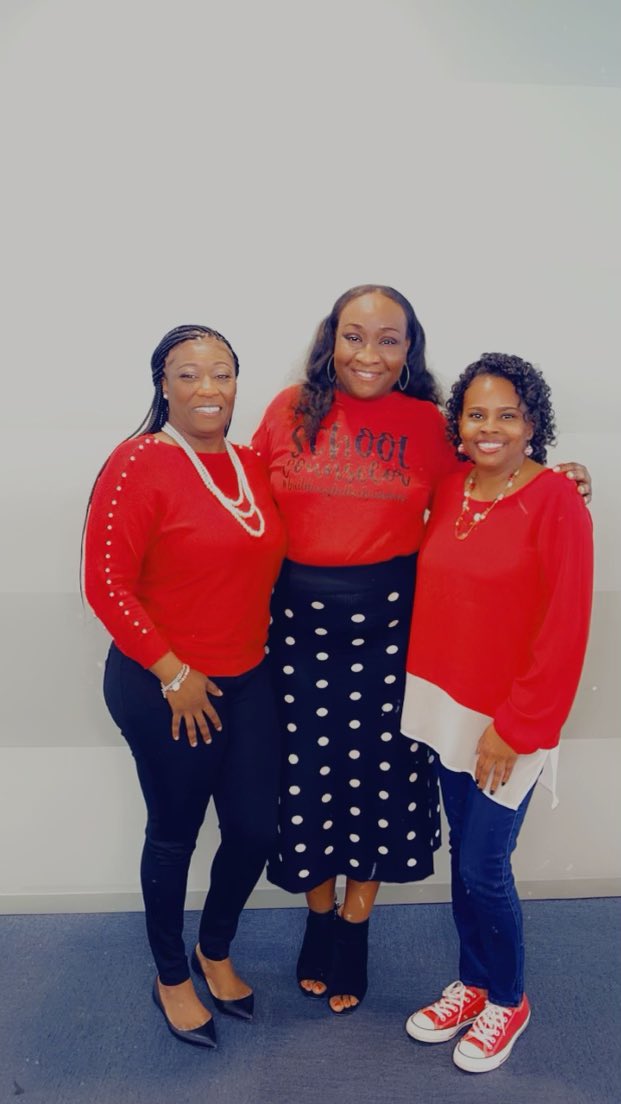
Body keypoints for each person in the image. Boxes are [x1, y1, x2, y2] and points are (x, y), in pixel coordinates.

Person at [251, 287, 591, 1016]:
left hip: (391, 638)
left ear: (410, 349)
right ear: (329, 340)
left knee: (377, 784)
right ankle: (318, 919)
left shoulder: (427, 425)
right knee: (304, 782)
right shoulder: (285, 411)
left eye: (388, 339)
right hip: (297, 635)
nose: (368, 354)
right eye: (353, 335)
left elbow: (492, 476)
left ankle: (354, 928)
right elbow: (246, 500)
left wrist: (562, 478)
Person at [83, 325, 286, 1048]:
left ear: (237, 381)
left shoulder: (252, 463)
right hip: (162, 684)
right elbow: (105, 585)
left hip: (246, 674)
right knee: (174, 835)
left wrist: (540, 473)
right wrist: (174, 673)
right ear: (162, 383)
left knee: (256, 828)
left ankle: (215, 948)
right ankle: (171, 975)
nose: (208, 389)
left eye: (221, 373)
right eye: (189, 374)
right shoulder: (138, 462)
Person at [401, 352, 593, 1072]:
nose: (489, 428)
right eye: (476, 414)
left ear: (532, 423)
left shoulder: (556, 502)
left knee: (484, 867)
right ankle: (473, 981)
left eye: (506, 414)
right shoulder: (450, 488)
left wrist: (515, 728)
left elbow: (564, 628)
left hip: (506, 721)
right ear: (458, 424)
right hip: (442, 706)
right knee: (463, 857)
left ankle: (507, 999)